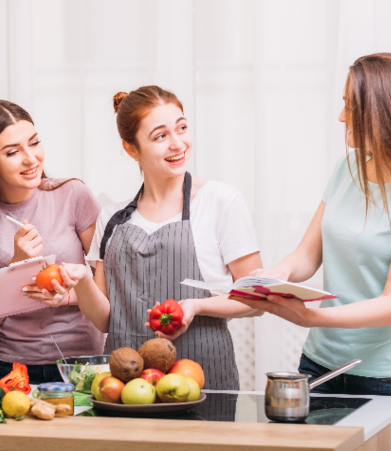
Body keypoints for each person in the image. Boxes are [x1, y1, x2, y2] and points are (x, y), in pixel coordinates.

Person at [230, 53, 391, 449]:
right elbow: (307, 255)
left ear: (385, 114)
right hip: (318, 368)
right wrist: (276, 274)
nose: (341, 117)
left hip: (384, 379)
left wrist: (309, 318)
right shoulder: (348, 168)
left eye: (350, 107)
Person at [60, 85, 263, 390]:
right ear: (132, 149)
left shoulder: (221, 202)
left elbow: (257, 300)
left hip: (203, 380)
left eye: (182, 128)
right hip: (126, 385)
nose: (178, 143)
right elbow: (105, 321)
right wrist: (81, 282)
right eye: (160, 136)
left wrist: (196, 306)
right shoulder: (111, 218)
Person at [0, 100, 104, 384]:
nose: (31, 159)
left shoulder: (73, 195)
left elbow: (105, 289)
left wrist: (68, 294)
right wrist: (16, 267)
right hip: (9, 366)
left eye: (34, 143)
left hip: (81, 361)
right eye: (12, 152)